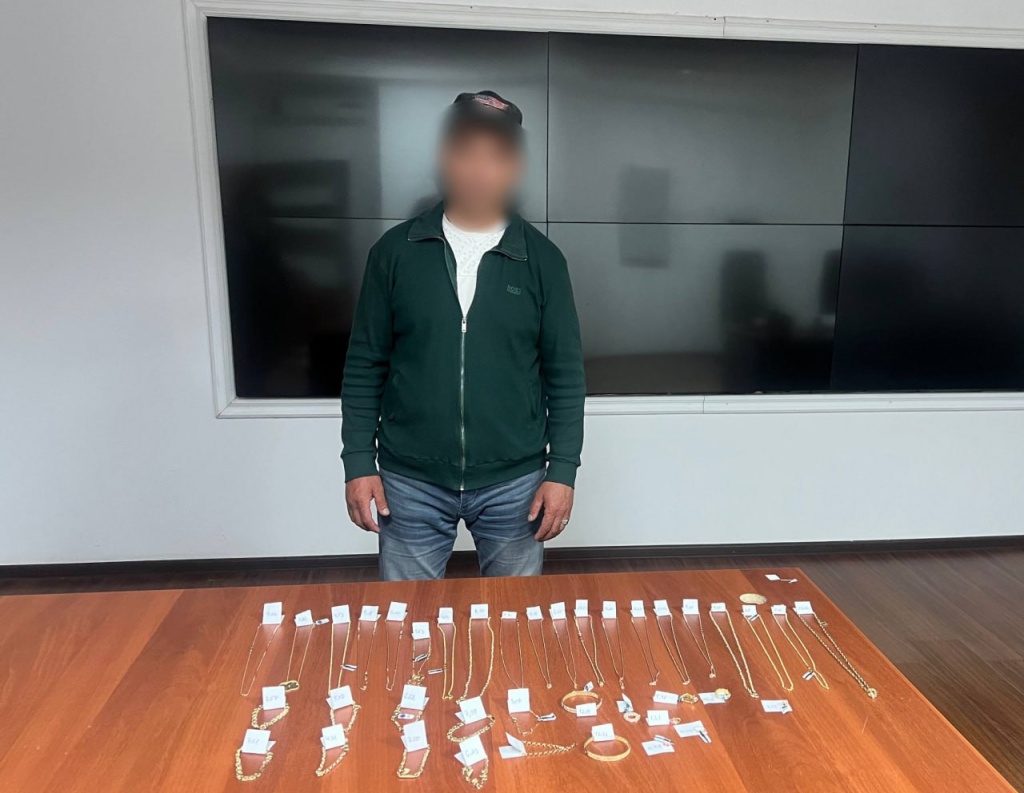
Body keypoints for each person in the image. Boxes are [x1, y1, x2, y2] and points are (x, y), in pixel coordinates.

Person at [340, 90, 585, 580]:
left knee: (514, 616)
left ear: (514, 167)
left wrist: (562, 470)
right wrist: (359, 462)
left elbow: (565, 375)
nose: (479, 169)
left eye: (495, 156)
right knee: (408, 617)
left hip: (514, 482)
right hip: (409, 480)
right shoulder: (395, 252)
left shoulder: (543, 261)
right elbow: (365, 364)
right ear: (444, 158)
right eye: (466, 151)